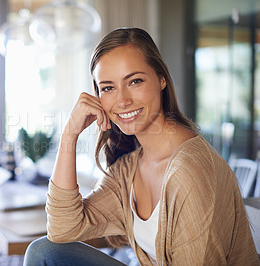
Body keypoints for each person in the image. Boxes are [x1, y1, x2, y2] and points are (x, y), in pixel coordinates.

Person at [23, 28, 259, 265]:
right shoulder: (129, 168)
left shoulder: (192, 171)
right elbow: (63, 229)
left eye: (135, 81)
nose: (122, 100)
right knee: (43, 251)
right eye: (108, 88)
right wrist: (69, 136)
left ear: (161, 79)